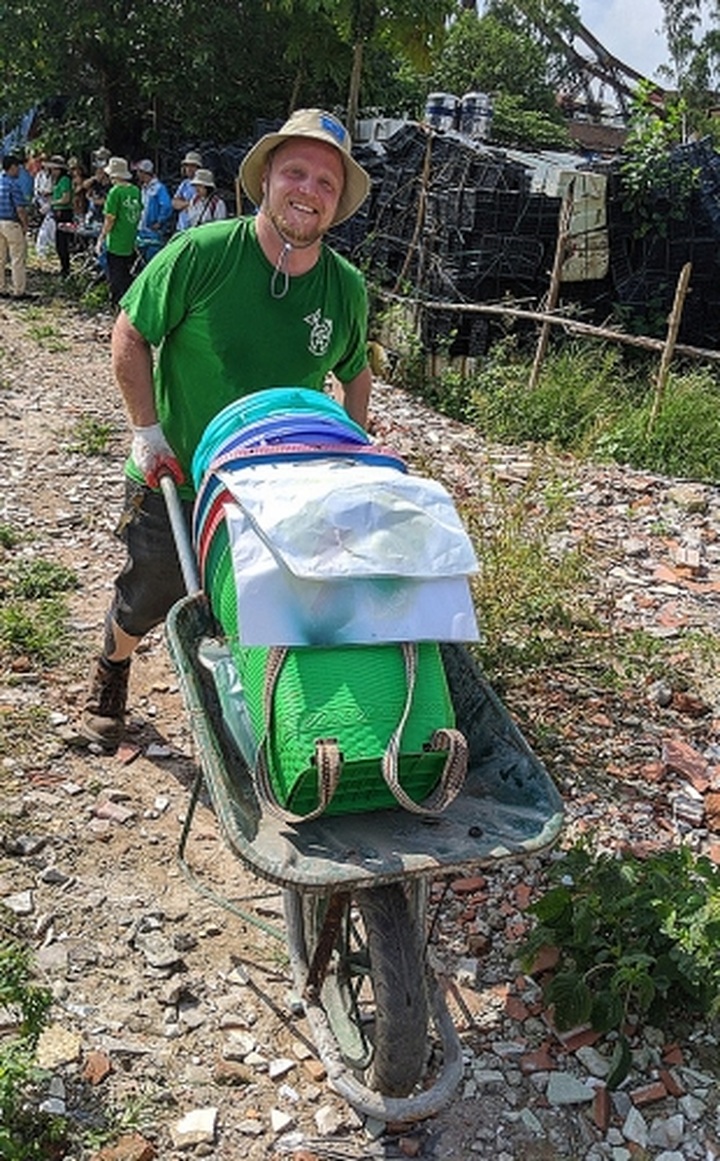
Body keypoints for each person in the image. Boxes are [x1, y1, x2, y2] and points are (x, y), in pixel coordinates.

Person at [80, 107, 372, 749]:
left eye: (327, 183)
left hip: (276, 492)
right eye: (296, 172)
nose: (309, 191)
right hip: (177, 474)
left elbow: (355, 373)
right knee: (149, 596)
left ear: (338, 202)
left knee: (261, 611)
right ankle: (114, 664)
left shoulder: (344, 289)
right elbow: (131, 332)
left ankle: (264, 727)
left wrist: (352, 454)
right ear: (265, 179)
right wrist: (147, 432)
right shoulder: (205, 253)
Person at [95, 156, 142, 306]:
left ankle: (117, 304)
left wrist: (101, 237)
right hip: (130, 238)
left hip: (116, 240)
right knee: (125, 272)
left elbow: (110, 218)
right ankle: (127, 301)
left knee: (116, 275)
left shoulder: (115, 192)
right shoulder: (135, 190)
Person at [0, 154, 30, 298]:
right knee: (17, 258)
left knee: (0, 258)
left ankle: (1, 288)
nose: (19, 170)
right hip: (11, 224)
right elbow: (20, 209)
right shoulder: (14, 184)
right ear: (12, 167)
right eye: (17, 167)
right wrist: (25, 225)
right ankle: (19, 291)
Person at [134, 158, 173, 262]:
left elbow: (167, 206)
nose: (137, 174)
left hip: (154, 230)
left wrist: (160, 221)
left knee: (152, 256)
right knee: (141, 256)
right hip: (142, 229)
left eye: (139, 171)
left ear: (144, 173)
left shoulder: (159, 188)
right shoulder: (144, 187)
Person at [48, 155, 73, 277]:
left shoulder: (65, 180)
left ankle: (66, 269)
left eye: (54, 169)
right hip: (57, 213)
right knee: (59, 242)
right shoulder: (57, 181)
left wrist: (52, 203)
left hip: (64, 213)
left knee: (62, 242)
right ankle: (63, 267)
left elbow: (66, 198)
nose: (52, 172)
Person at [171, 149, 203, 231]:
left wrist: (184, 204)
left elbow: (200, 205)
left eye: (192, 166)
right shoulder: (185, 184)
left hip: (196, 228)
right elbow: (174, 203)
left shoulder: (203, 184)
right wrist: (189, 204)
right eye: (187, 166)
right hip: (182, 227)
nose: (189, 169)